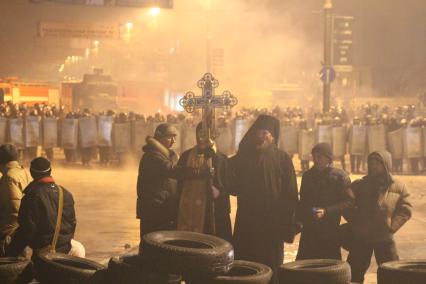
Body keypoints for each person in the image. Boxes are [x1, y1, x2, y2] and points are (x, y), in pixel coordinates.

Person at [231, 115, 298, 284]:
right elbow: (232, 184)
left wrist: (289, 223)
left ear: (273, 136)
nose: (261, 136)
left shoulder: (283, 159)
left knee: (271, 266)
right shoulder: (243, 157)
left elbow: (290, 194)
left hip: (271, 224)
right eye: (258, 133)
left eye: (265, 133)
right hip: (247, 221)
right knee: (245, 265)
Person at [344, 151, 412, 283]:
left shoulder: (398, 186)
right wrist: (356, 222)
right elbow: (346, 204)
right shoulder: (359, 185)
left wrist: (391, 227)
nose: (373, 166)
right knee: (354, 273)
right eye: (371, 163)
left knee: (391, 274)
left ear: (386, 165)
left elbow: (405, 209)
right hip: (361, 238)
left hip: (385, 237)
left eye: (378, 163)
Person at [6, 157, 85, 257]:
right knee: (78, 247)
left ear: (32, 173)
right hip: (71, 250)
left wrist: (12, 252)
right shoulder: (65, 193)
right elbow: (72, 223)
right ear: (50, 171)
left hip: (46, 254)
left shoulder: (31, 196)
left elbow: (27, 230)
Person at [296, 143, 353, 260]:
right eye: (314, 156)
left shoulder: (340, 177)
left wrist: (327, 211)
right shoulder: (307, 176)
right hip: (309, 231)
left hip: (330, 230)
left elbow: (349, 202)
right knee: (305, 268)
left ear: (328, 158)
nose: (316, 160)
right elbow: (303, 202)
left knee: (330, 268)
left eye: (319, 157)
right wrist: (308, 213)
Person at [176, 122, 232, 242]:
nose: (201, 139)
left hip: (213, 210)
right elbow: (178, 180)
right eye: (199, 134)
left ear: (213, 136)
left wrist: (219, 192)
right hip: (189, 210)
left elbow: (230, 185)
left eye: (205, 135)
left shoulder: (221, 159)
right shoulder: (186, 156)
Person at [137, 123, 180, 243]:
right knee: (152, 244)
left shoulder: (166, 155)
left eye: (174, 137)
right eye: (169, 137)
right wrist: (195, 171)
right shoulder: (152, 156)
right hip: (153, 210)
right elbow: (171, 171)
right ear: (159, 138)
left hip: (164, 208)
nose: (173, 141)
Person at [0, 144, 31, 256]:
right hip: (22, 231)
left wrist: (6, 234)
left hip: (10, 233)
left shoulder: (9, 177)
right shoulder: (23, 172)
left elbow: (14, 208)